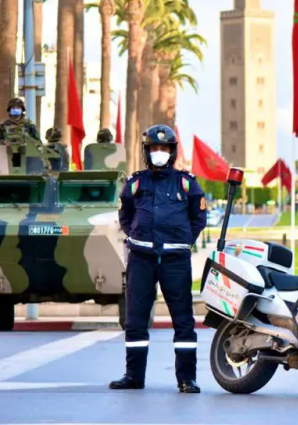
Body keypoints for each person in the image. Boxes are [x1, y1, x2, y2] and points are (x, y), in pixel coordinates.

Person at [109, 124, 207, 394]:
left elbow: (198, 220)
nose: (159, 153)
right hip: (141, 259)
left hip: (175, 261)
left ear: (172, 152)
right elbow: (125, 216)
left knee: (184, 321)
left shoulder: (187, 184)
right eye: (154, 149)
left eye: (164, 149)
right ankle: (133, 376)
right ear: (146, 152)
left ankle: (187, 379)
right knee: (135, 320)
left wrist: (183, 241)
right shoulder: (136, 183)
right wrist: (138, 238)